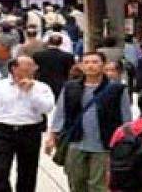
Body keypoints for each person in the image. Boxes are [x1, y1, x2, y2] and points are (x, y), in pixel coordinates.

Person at [48, 52, 132, 192]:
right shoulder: (70, 87)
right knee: (76, 183)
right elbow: (60, 113)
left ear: (103, 65)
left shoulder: (117, 89)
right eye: (86, 62)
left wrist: (125, 143)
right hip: (75, 143)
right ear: (80, 66)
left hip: (104, 144)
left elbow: (126, 118)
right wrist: (52, 136)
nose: (90, 66)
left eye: (95, 62)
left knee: (99, 185)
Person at [0, 56, 56, 192]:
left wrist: (31, 92)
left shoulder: (41, 87)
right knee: (0, 169)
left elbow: (46, 108)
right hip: (3, 131)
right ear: (14, 68)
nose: (34, 68)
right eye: (28, 65)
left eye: (33, 66)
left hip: (30, 131)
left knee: (27, 171)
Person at [32, 34, 76, 98]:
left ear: (48, 42)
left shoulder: (38, 55)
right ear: (61, 43)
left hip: (43, 83)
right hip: (61, 84)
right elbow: (71, 71)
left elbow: (34, 70)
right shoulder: (68, 56)